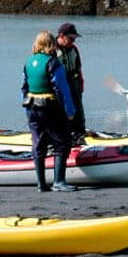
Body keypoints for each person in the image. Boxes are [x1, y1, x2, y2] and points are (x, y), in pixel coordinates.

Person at [22, 30, 77, 192]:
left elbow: (24, 87)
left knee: (39, 144)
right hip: (50, 108)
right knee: (62, 142)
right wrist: (70, 111)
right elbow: (62, 89)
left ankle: (41, 184)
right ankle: (59, 181)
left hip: (31, 108)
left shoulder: (28, 62)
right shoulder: (53, 63)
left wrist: (27, 110)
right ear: (51, 44)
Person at [55, 22, 86, 144]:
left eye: (74, 38)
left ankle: (79, 136)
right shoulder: (52, 50)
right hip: (60, 86)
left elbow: (78, 68)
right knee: (63, 114)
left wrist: (81, 84)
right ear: (62, 36)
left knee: (78, 112)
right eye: (71, 38)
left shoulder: (74, 50)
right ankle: (63, 138)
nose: (73, 41)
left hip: (74, 84)